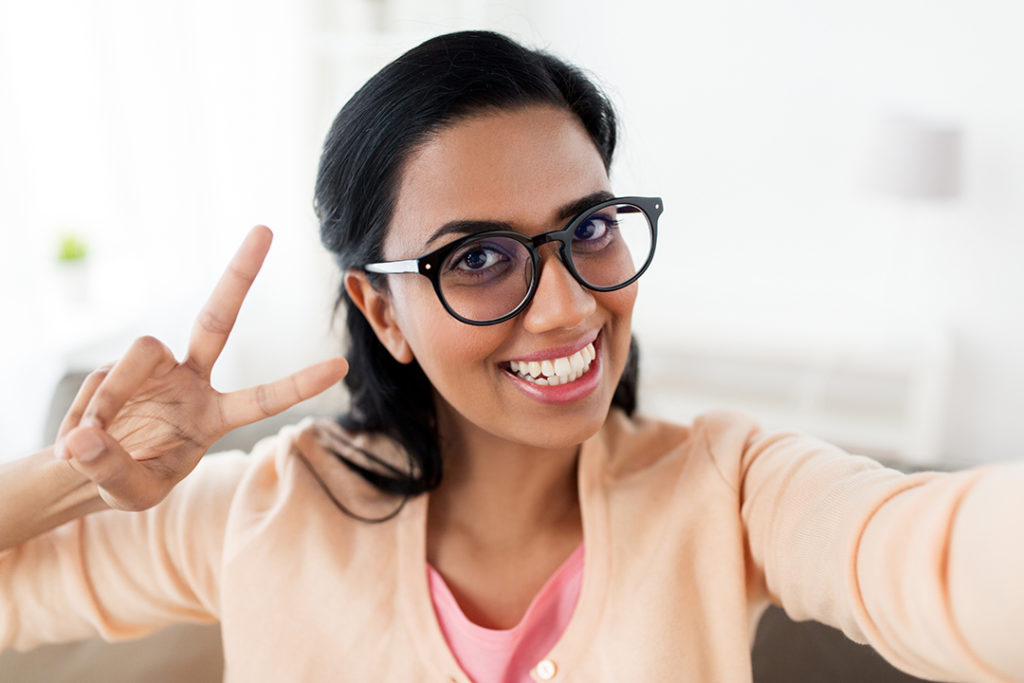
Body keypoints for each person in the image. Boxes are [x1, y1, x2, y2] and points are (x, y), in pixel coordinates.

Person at [1, 30, 1022, 683]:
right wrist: (70, 472)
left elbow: (937, 558)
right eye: (479, 257)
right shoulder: (263, 513)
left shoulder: (732, 488)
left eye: (589, 230)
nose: (569, 304)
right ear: (381, 309)